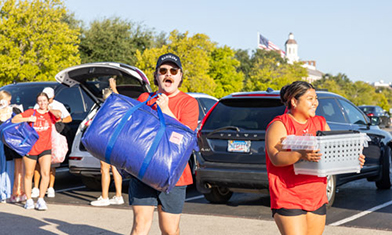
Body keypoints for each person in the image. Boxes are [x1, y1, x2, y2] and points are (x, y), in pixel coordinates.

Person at [265, 81, 366, 235]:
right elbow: (275, 158)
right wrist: (300, 154)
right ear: (294, 101)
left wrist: (353, 158)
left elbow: (333, 153)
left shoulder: (320, 123)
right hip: (288, 195)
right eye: (310, 99)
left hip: (316, 195)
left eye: (316, 98)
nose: (315, 103)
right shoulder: (280, 124)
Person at [128, 53, 199, 235]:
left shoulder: (189, 103)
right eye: (163, 70)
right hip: (143, 170)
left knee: (169, 230)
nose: (168, 74)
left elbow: (185, 138)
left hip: (174, 174)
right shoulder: (144, 98)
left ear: (180, 76)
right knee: (140, 226)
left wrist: (166, 109)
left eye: (173, 71)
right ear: (157, 75)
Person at [12, 92, 61, 210]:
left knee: (45, 173)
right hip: (31, 147)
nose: (42, 103)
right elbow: (15, 119)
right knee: (28, 174)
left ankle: (41, 199)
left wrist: (49, 109)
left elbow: (59, 115)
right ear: (37, 102)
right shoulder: (32, 112)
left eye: (44, 101)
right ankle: (29, 200)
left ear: (48, 101)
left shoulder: (51, 113)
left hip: (46, 147)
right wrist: (28, 118)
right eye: (40, 101)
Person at [31, 87, 72, 198]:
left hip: (54, 137)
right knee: (38, 164)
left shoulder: (58, 105)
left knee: (52, 165)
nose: (45, 100)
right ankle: (35, 187)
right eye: (44, 97)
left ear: (52, 97)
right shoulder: (37, 106)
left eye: (48, 98)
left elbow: (67, 118)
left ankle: (50, 187)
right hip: (40, 137)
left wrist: (59, 121)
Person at [90, 78, 124, 206]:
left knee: (104, 169)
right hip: (117, 141)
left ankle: (104, 197)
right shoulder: (119, 110)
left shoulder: (107, 110)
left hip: (106, 141)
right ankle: (118, 196)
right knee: (115, 168)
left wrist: (113, 87)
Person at [0, 91, 23, 203]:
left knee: (10, 167)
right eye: (8, 99)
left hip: (10, 143)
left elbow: (20, 120)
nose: (9, 102)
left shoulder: (13, 110)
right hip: (1, 142)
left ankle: (8, 192)